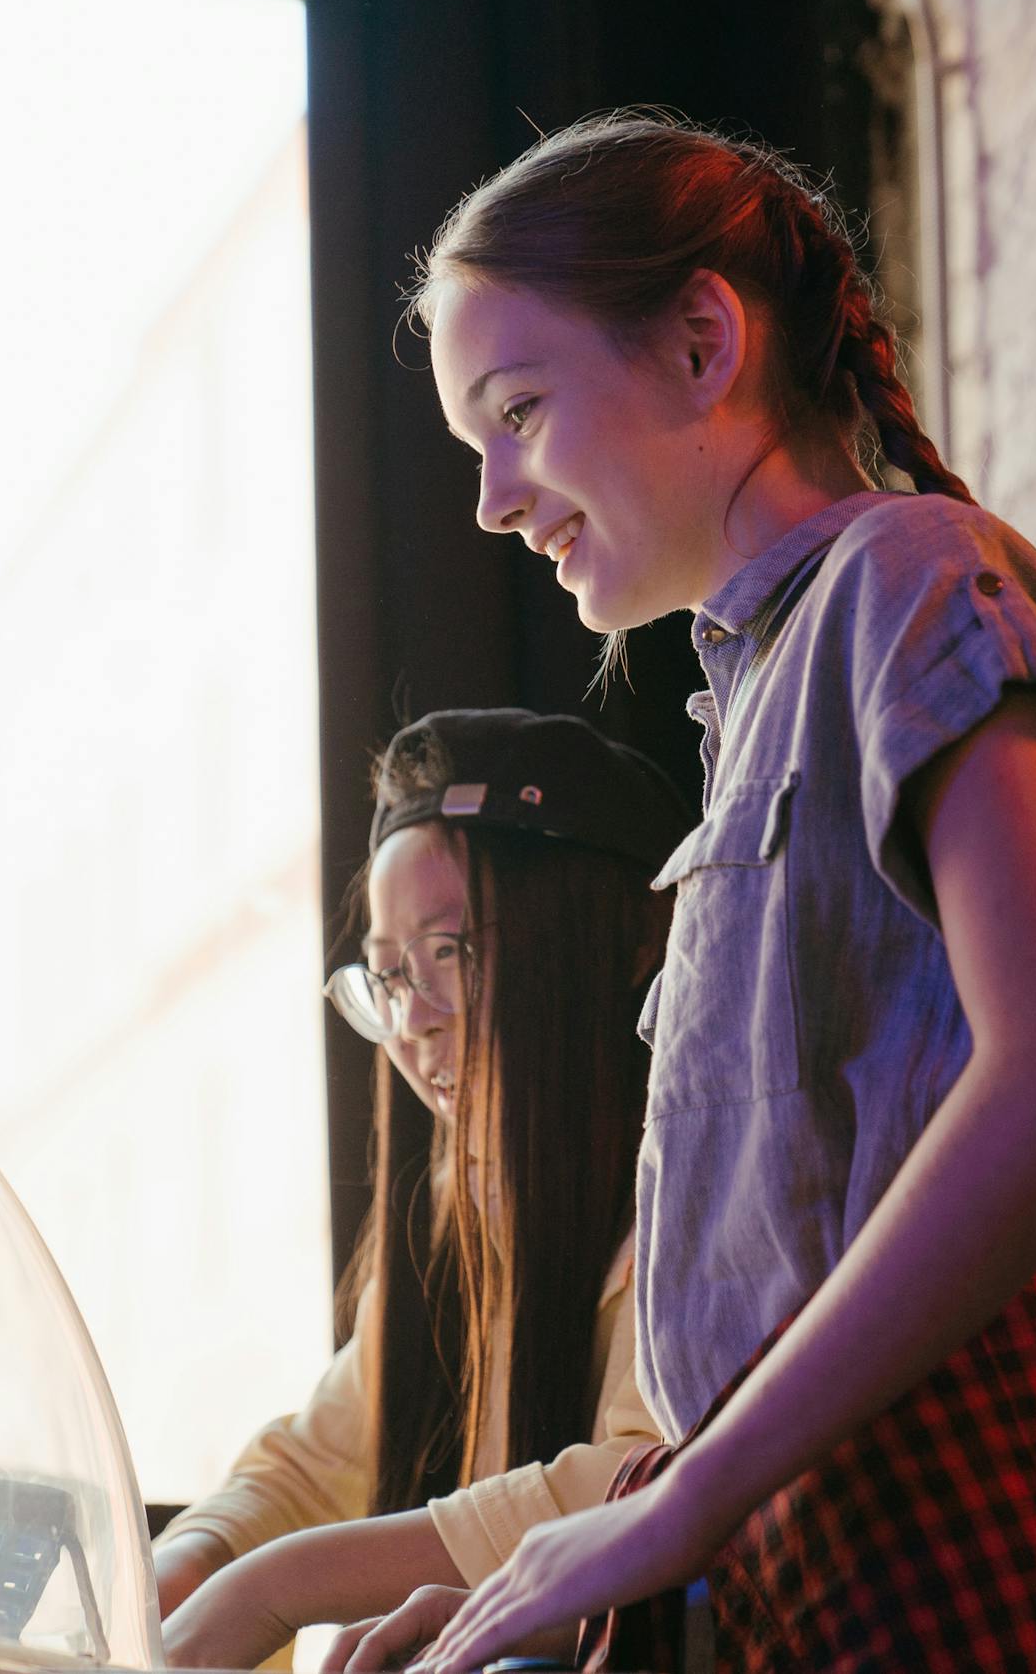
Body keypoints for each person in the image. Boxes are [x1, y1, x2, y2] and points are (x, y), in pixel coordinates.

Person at [395, 113, 1036, 1672]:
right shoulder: (763, 693)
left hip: (999, 1560)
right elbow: (791, 1285)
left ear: (703, 341)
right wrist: (574, 1559)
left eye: (518, 410)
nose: (494, 499)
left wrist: (675, 1511)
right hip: (840, 1578)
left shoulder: (910, 579)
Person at [157, 709, 688, 1670]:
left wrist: (274, 1586)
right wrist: (192, 1561)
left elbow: (648, 1482)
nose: (416, 1023)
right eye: (389, 977)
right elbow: (320, 1461)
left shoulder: (694, 1187)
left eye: (452, 954)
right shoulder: (461, 1213)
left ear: (608, 945)